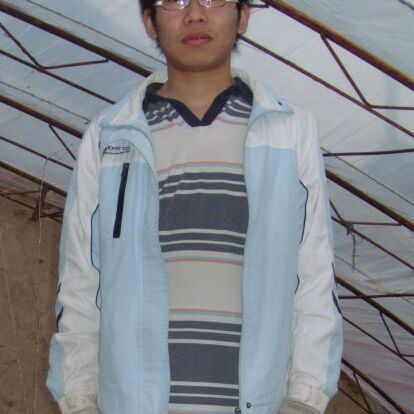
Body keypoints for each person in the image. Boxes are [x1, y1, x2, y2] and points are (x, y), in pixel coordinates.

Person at [46, 0, 343, 413]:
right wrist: (79, 401)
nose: (196, 15)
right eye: (175, 2)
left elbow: (313, 279)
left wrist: (305, 399)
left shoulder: (288, 131)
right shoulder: (111, 137)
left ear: (243, 16)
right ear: (150, 22)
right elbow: (82, 283)